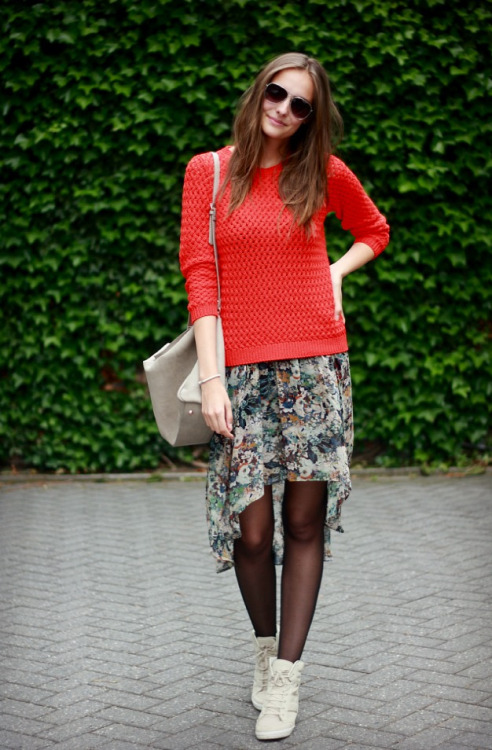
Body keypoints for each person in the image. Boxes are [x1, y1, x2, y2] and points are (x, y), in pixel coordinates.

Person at [179, 52, 389, 742]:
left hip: (316, 369)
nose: (285, 111)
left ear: (311, 117)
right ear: (258, 91)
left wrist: (335, 269)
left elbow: (375, 230)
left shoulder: (321, 172)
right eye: (278, 94)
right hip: (239, 374)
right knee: (252, 530)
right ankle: (264, 648)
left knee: (303, 526)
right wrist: (213, 379)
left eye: (301, 105)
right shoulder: (207, 173)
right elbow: (201, 275)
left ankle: (286, 679)